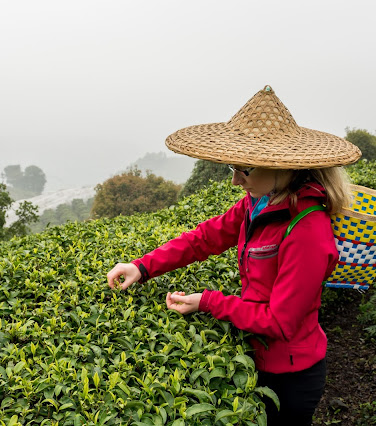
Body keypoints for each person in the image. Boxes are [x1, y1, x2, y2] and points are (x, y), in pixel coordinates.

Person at [106, 85, 361, 425]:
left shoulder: (308, 231)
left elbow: (280, 322)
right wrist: (143, 266)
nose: (236, 181)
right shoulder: (259, 203)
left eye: (246, 170)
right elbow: (206, 238)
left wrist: (208, 301)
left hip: (292, 374)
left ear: (282, 166)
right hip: (256, 356)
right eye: (234, 169)